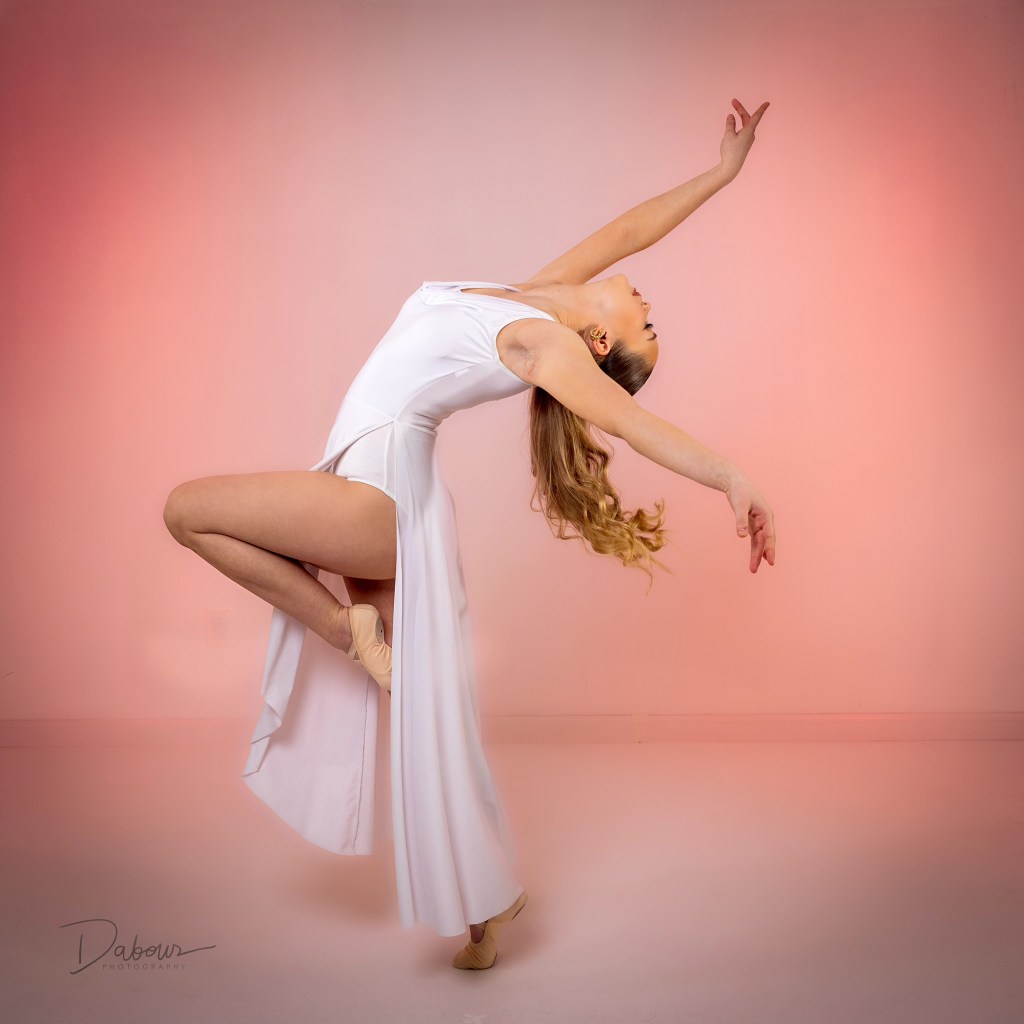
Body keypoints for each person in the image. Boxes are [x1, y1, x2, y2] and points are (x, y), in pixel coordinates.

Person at [162, 97, 775, 970]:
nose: (650, 303)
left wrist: (730, 478)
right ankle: (488, 907)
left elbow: (635, 426)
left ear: (600, 341)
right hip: (376, 481)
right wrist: (722, 173)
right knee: (429, 719)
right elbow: (632, 229)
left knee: (186, 510)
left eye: (647, 327)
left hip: (379, 493)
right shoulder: (536, 297)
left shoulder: (546, 347)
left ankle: (342, 628)